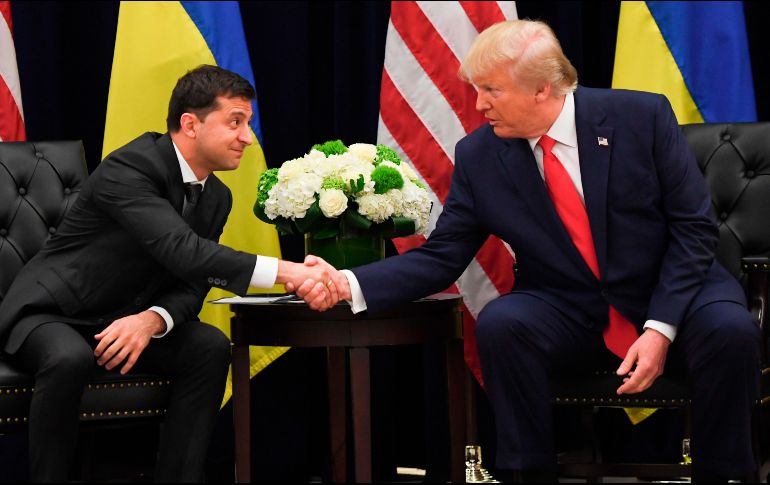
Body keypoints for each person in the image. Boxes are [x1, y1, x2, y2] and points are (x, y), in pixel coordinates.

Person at [295, 20, 761, 483]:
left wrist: (660, 328)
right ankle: (526, 474)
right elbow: (441, 256)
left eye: (492, 90)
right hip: (569, 305)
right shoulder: (480, 156)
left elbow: (693, 229)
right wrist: (347, 281)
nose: (479, 105)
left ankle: (723, 475)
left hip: (675, 291)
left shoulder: (641, 118)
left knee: (731, 329)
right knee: (504, 324)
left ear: (542, 89)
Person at [0, 64, 334, 482]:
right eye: (235, 122)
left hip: (124, 316)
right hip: (51, 310)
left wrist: (152, 319)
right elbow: (183, 250)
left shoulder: (216, 197)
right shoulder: (130, 167)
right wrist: (290, 272)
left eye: (248, 123)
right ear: (190, 124)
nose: (247, 137)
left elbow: (193, 282)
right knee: (69, 357)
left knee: (209, 345)